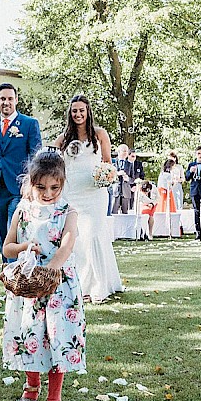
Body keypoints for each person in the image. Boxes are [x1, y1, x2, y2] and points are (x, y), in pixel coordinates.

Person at [2, 150, 85, 401]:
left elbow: (67, 244)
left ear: (62, 184)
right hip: (29, 286)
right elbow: (7, 247)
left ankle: (55, 399)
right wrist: (26, 249)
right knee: (31, 335)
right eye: (41, 187)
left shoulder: (68, 212)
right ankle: (31, 385)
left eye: (54, 188)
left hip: (59, 285)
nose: (48, 193)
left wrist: (50, 270)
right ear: (31, 184)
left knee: (57, 337)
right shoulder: (23, 209)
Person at [55, 94, 122, 303]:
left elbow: (109, 163)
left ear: (88, 112)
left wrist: (107, 176)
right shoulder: (63, 138)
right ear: (70, 113)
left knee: (92, 235)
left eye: (81, 110)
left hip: (94, 194)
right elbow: (51, 160)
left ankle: (98, 286)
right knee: (76, 239)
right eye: (74, 111)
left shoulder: (100, 135)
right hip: (72, 194)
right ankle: (80, 287)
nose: (78, 114)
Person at [0, 83, 43, 259]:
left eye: (10, 99)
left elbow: (36, 159)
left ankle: (16, 275)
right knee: (3, 237)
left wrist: (32, 186)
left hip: (18, 190)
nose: (7, 102)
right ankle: (9, 273)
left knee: (16, 234)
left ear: (16, 100)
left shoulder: (29, 124)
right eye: (3, 99)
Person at [111, 144, 136, 214]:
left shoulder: (130, 163)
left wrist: (128, 179)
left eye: (127, 151)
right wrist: (117, 174)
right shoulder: (113, 161)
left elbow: (133, 178)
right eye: (124, 151)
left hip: (126, 191)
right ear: (119, 152)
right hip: (115, 191)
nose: (126, 153)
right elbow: (108, 175)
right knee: (113, 212)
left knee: (125, 214)